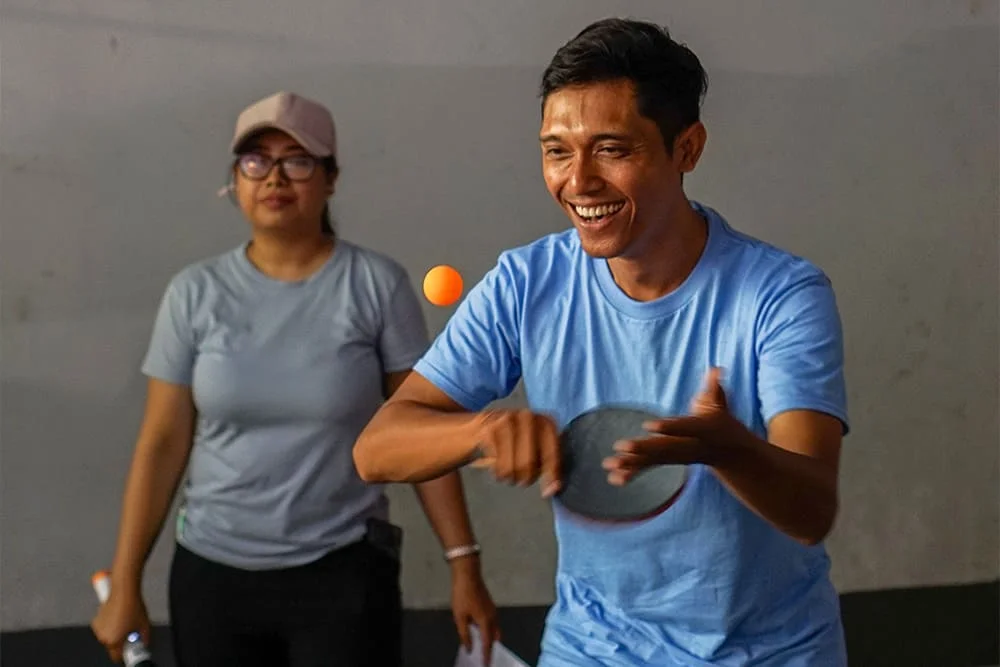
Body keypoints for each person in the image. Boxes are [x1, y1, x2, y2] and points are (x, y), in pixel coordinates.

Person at [354, 18, 849, 667]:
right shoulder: (526, 282)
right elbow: (375, 449)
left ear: (687, 148)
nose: (577, 180)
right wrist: (480, 431)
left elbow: (811, 509)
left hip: (772, 651)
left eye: (612, 148)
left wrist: (734, 452)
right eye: (556, 150)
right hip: (594, 646)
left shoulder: (782, 294)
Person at [91, 91, 499, 667]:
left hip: (344, 573)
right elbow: (162, 442)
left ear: (330, 179)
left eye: (299, 159)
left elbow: (422, 429)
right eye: (256, 160)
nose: (275, 176)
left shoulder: (376, 285)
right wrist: (127, 581)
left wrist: (465, 565)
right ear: (235, 180)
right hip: (213, 575)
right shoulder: (194, 293)